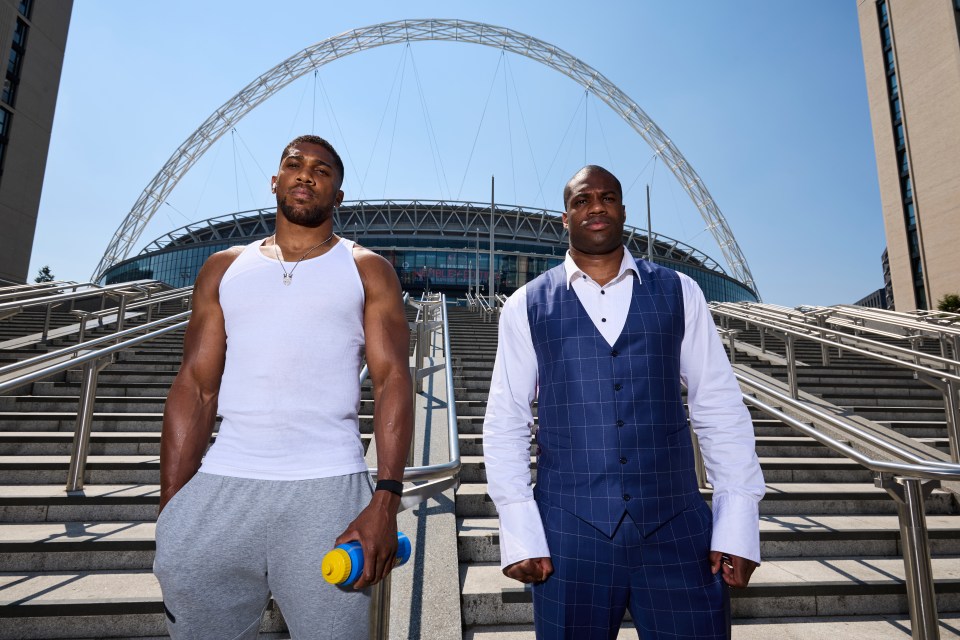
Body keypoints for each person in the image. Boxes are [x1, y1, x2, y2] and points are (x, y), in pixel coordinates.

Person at [483, 165, 765, 639]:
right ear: (565, 218)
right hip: (568, 537)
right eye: (582, 199)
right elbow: (506, 421)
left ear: (623, 211)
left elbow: (718, 406)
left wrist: (736, 522)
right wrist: (519, 529)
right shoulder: (525, 305)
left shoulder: (681, 291)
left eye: (608, 197)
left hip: (677, 531)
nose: (596, 206)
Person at [154, 135, 413, 639]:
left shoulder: (367, 269)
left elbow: (392, 380)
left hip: (329, 489)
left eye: (322, 170)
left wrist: (385, 498)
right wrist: (173, 509)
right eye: (294, 164)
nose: (305, 174)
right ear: (276, 181)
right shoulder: (224, 267)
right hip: (223, 484)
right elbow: (196, 386)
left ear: (338, 195)